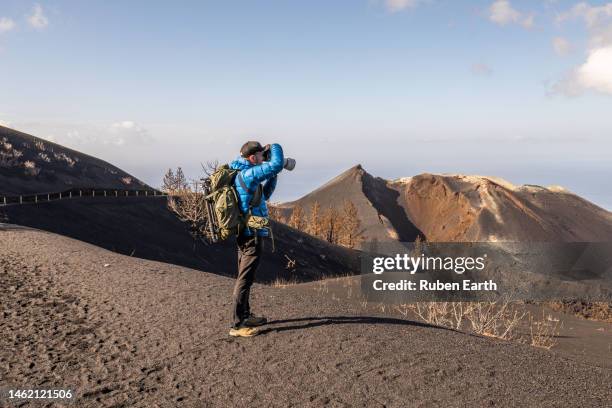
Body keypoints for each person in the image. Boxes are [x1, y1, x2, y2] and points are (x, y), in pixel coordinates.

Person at [228, 141, 284, 337]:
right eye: (261, 156)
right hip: (250, 233)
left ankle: (245, 315)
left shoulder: (245, 173)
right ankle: (237, 325)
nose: (263, 159)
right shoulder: (248, 174)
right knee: (245, 278)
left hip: (248, 230)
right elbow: (276, 163)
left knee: (246, 277)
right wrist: (275, 146)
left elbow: (264, 196)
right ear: (253, 158)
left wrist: (273, 176)